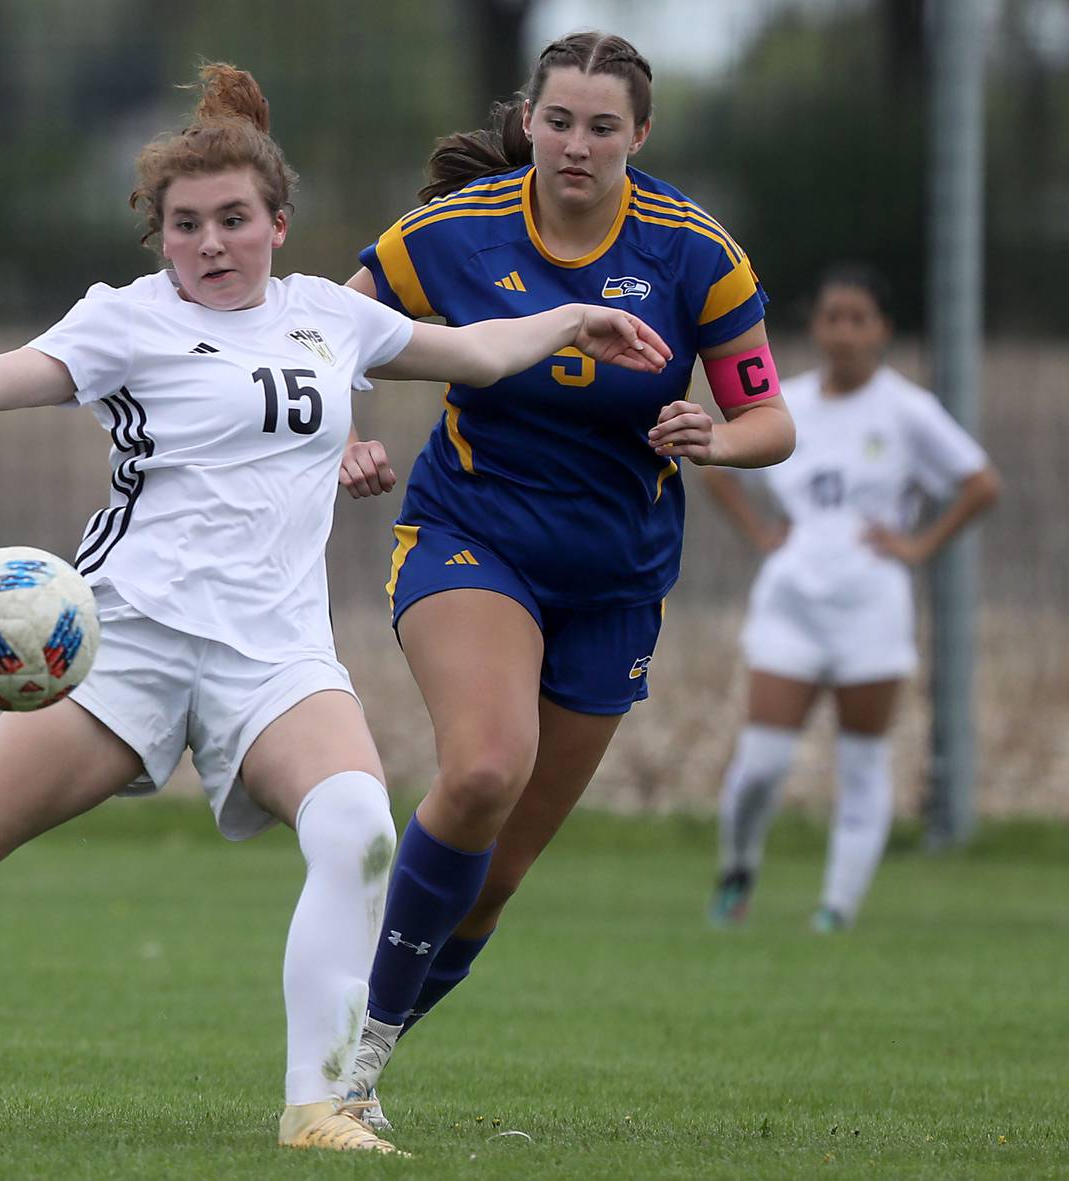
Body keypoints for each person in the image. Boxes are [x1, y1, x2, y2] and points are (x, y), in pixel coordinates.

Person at [0, 63, 672, 1156]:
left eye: (235, 219)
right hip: (120, 646)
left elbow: (472, 352)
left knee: (358, 829)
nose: (212, 243)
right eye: (186, 225)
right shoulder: (123, 323)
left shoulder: (332, 317)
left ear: (279, 223)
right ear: (161, 237)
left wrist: (574, 320)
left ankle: (317, 1105)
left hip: (275, 658)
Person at [335, 30, 797, 1129]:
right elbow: (321, 332)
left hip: (616, 579)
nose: (576, 144)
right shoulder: (453, 233)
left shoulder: (696, 253)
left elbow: (769, 416)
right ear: (528, 120)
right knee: (487, 766)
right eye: (558, 121)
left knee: (493, 878)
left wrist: (716, 437)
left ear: (641, 134)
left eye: (602, 126)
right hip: (471, 535)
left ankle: (370, 1032)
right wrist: (346, 434)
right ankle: (343, 1071)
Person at [705, 263, 999, 932]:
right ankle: (738, 869)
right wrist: (760, 533)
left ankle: (835, 910)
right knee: (761, 764)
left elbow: (981, 482)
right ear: (815, 327)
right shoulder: (789, 404)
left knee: (862, 762)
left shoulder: (907, 410)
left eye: (858, 318)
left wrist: (919, 547)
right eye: (831, 316)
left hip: (871, 606)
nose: (843, 331)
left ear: (882, 331)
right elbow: (715, 461)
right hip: (793, 599)